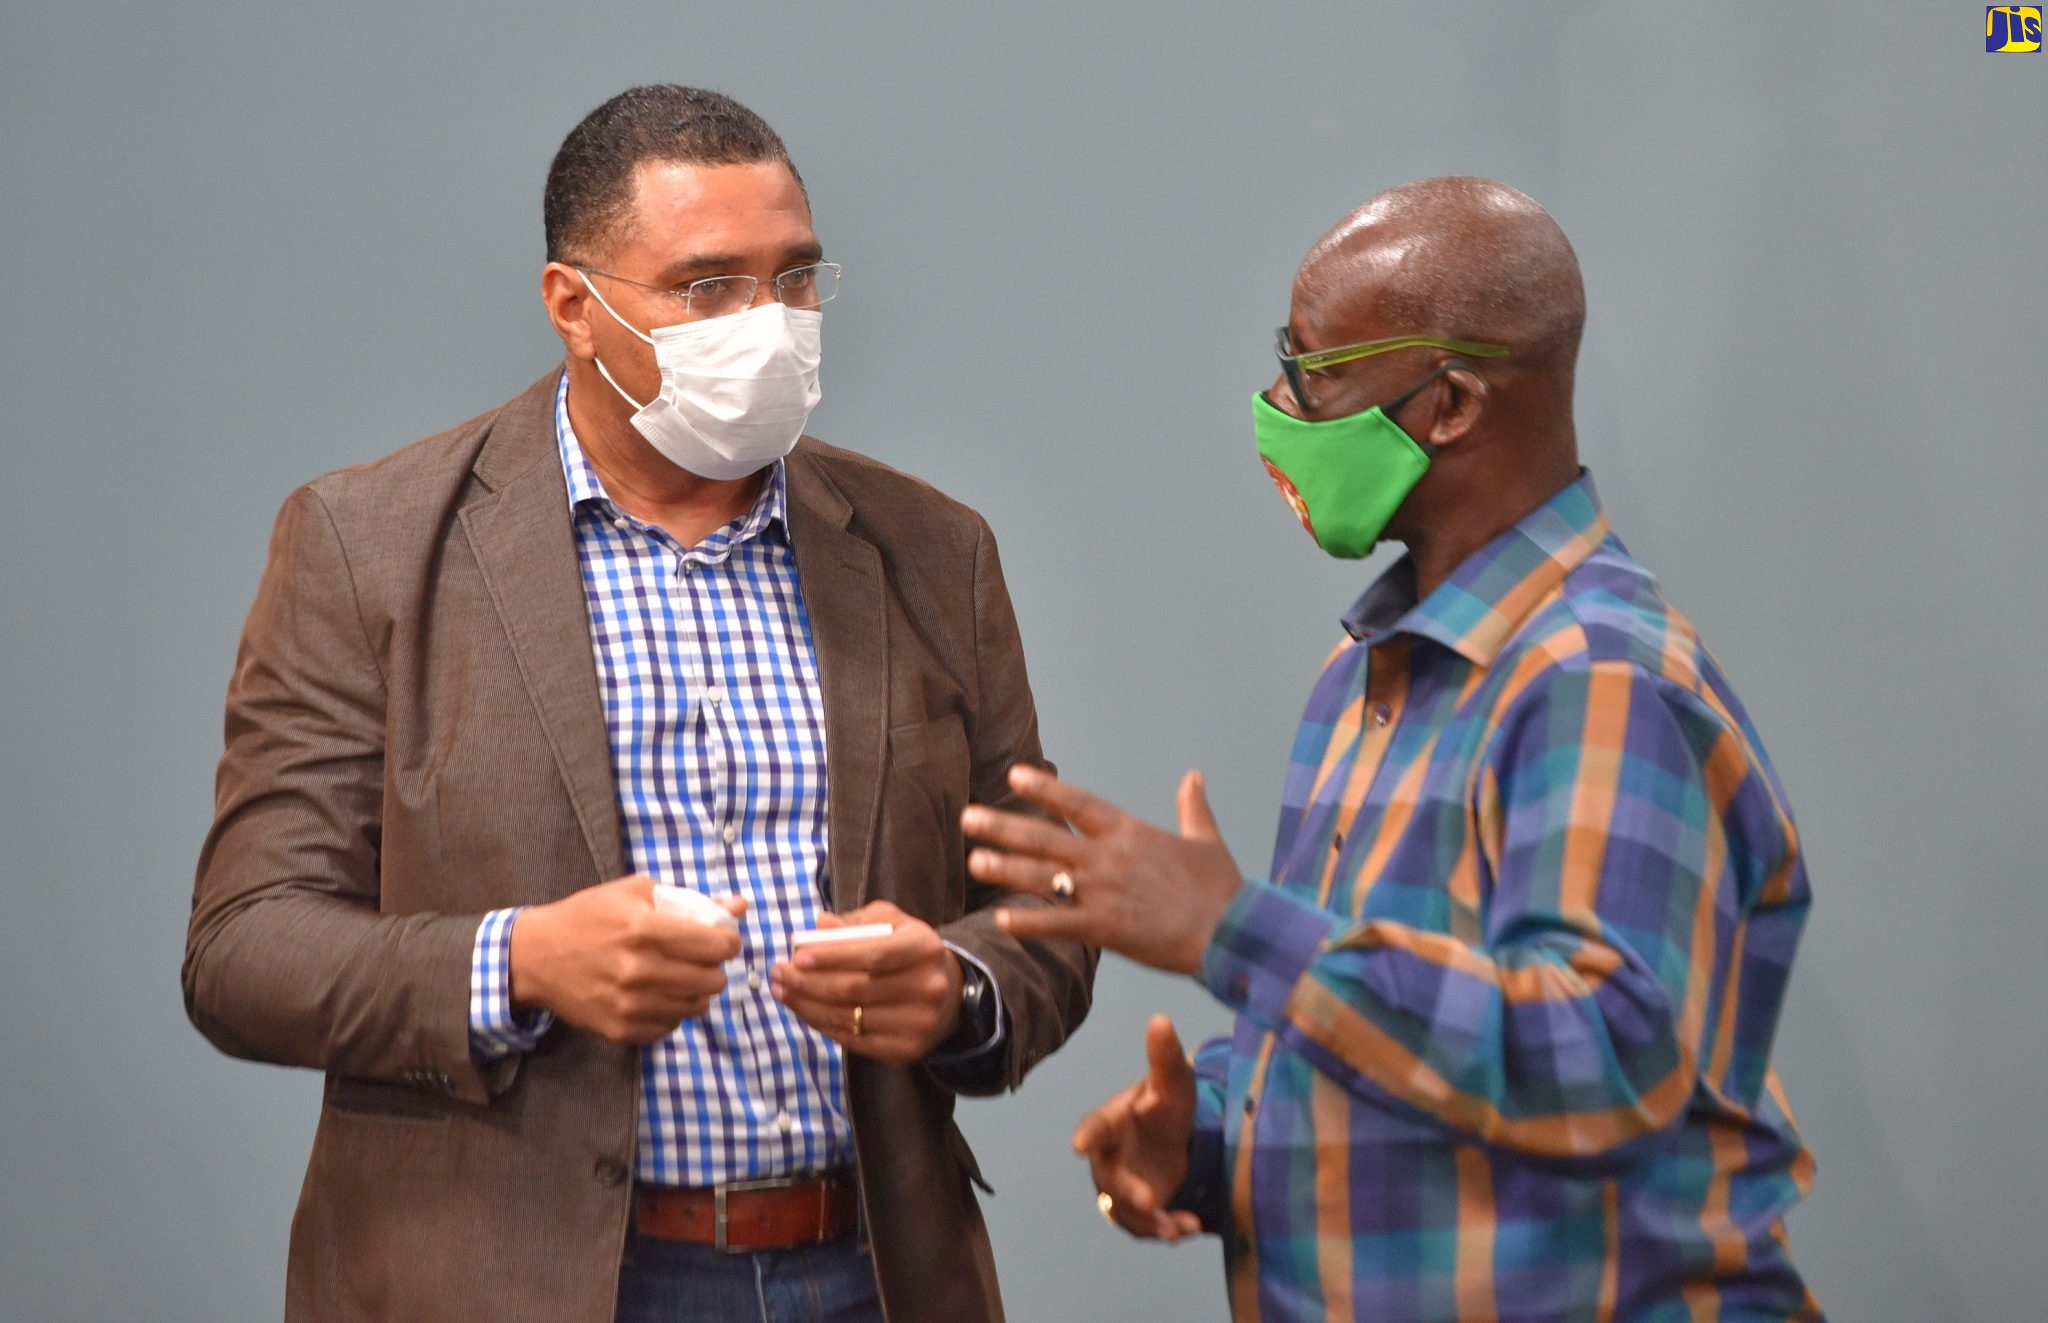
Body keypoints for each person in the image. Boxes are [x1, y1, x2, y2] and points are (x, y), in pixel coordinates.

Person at [184, 84, 1093, 1323]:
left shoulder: (932, 549)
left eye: (795, 281)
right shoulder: (368, 545)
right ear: (575, 305)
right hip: (512, 1276)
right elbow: (245, 949)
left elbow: (1046, 906)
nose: (767, 326)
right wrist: (520, 962)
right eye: (708, 287)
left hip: (867, 1266)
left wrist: (956, 988)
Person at [961, 178, 1823, 1321]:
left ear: (1450, 403)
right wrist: (1207, 1136)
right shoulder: (1373, 670)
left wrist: (1227, 926)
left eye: (1312, 372)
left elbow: (1603, 1065)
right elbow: (1382, 1029)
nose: (1277, 405)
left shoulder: (1593, 680)